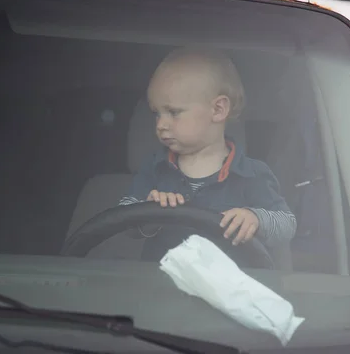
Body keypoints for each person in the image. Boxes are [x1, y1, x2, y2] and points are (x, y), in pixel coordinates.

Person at [119, 47, 296, 260]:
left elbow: (286, 224)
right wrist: (147, 211)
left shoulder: (252, 174)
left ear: (218, 110)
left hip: (227, 290)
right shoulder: (155, 169)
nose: (161, 124)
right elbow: (124, 219)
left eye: (173, 112)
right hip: (159, 288)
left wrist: (256, 219)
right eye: (157, 114)